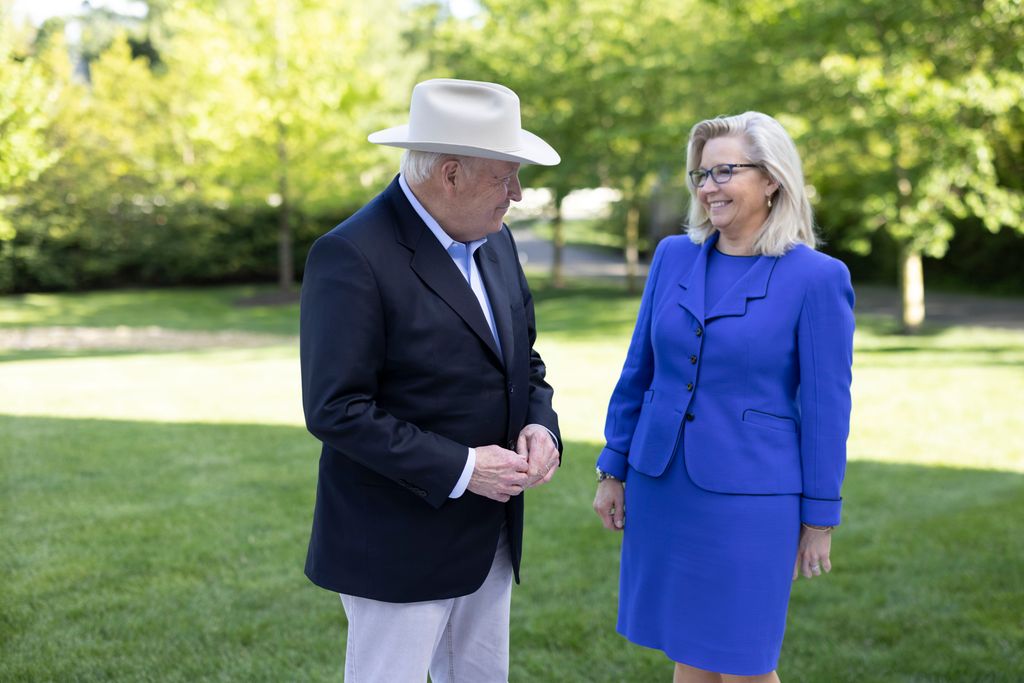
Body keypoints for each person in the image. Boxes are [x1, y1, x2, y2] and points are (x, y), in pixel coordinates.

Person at [300, 78, 562, 682]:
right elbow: (336, 408)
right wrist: (467, 469)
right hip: (396, 544)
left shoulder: (496, 241)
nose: (517, 194)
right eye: (506, 176)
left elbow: (525, 364)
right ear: (450, 174)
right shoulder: (352, 254)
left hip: (489, 538)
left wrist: (540, 426)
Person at [593, 111, 855, 682]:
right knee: (692, 654)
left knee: (743, 664)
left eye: (724, 172)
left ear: (771, 179)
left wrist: (820, 516)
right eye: (701, 175)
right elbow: (640, 367)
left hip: (751, 498)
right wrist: (612, 468)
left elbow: (826, 409)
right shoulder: (672, 256)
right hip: (662, 484)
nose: (708, 187)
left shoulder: (816, 278)